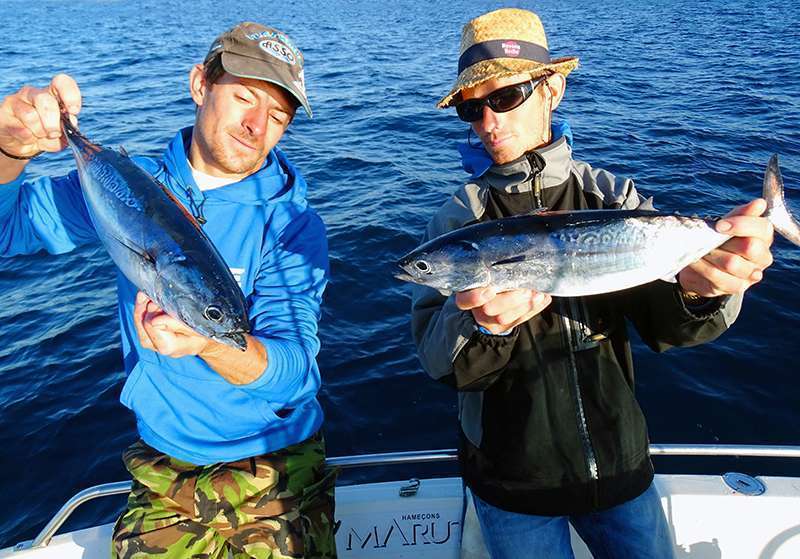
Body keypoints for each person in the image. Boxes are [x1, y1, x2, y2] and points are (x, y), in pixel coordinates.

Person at [411, 8, 775, 559]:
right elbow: (440, 362)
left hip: (621, 466)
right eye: (472, 107)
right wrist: (482, 326)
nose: (488, 122)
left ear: (551, 88)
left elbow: (668, 325)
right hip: (511, 483)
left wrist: (705, 291)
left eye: (505, 97)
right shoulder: (457, 222)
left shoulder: (612, 197)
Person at [0, 22, 337, 559]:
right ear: (200, 84)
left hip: (279, 466)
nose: (256, 126)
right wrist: (8, 150)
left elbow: (294, 376)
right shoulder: (128, 181)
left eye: (277, 117)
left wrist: (208, 342)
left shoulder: (293, 227)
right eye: (244, 98)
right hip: (163, 464)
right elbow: (8, 229)